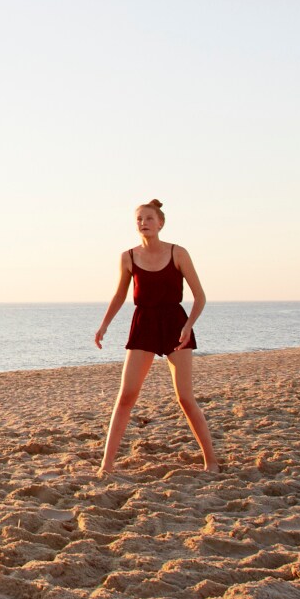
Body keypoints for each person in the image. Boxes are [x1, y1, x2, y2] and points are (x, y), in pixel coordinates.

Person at [92, 199, 218, 475]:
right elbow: (119, 295)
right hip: (144, 324)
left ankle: (211, 461)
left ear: (160, 223)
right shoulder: (128, 257)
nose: (143, 223)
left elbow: (200, 297)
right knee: (126, 396)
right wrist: (104, 326)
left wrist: (188, 326)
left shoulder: (178, 253)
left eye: (149, 219)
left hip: (175, 324)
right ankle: (106, 465)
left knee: (185, 397)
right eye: (139, 219)